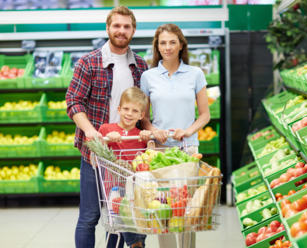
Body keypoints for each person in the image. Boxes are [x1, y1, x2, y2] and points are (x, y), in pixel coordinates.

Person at [65, 5, 148, 248]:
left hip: (129, 154)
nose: (121, 31)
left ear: (133, 30)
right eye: (117, 26)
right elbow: (73, 101)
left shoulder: (141, 66)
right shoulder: (89, 62)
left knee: (126, 215)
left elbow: (144, 110)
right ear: (108, 28)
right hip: (96, 151)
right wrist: (91, 132)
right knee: (90, 216)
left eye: (127, 26)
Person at [140, 23, 211, 248]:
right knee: (163, 208)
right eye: (163, 43)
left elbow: (205, 115)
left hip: (188, 150)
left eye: (172, 42)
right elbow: (143, 117)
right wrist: (153, 131)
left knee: (188, 209)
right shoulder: (148, 76)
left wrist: (188, 130)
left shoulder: (195, 73)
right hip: (160, 152)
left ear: (181, 45)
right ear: (157, 47)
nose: (168, 47)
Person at [98, 87, 152, 248]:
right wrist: (107, 140)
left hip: (137, 188)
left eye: (135, 111)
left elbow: (150, 159)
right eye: (126, 109)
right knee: (124, 206)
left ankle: (138, 243)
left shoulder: (141, 134)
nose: (129, 114)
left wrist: (149, 142)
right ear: (119, 109)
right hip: (115, 186)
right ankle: (136, 244)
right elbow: (97, 152)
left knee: (140, 211)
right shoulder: (106, 129)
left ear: (141, 115)